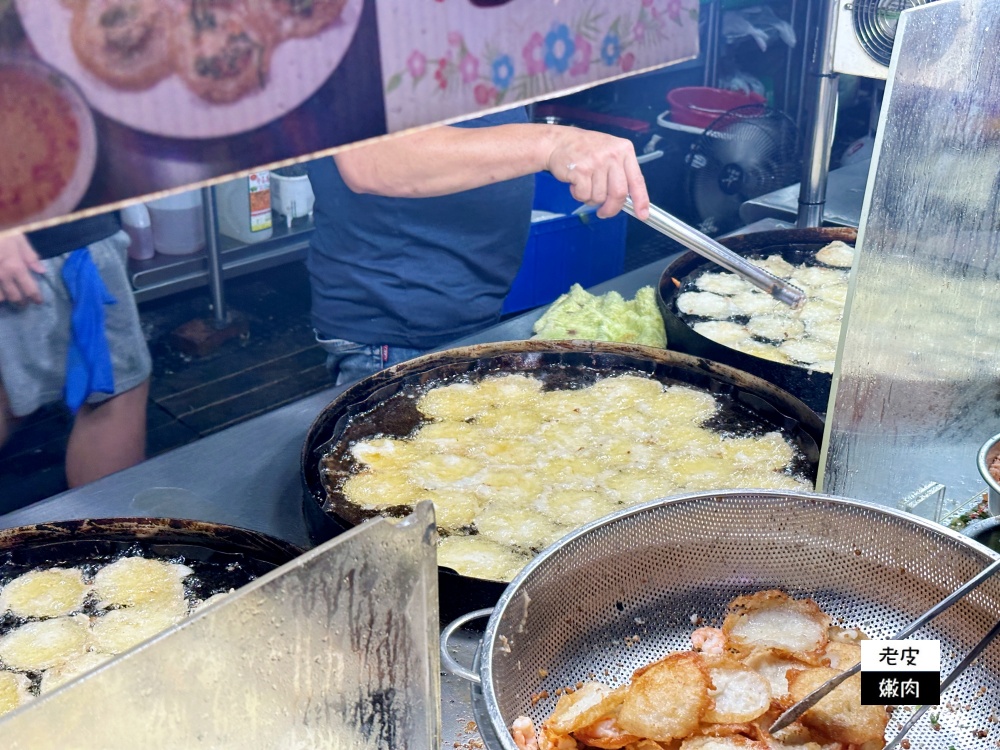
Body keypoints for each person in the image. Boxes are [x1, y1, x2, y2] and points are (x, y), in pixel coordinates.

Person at [306, 106, 650, 385]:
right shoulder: (353, 26)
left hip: (470, 313)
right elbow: (372, 159)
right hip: (396, 335)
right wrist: (553, 144)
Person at [0, 213, 152, 487]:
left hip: (33, 239)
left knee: (8, 390)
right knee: (112, 397)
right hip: (47, 241)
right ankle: (107, 525)